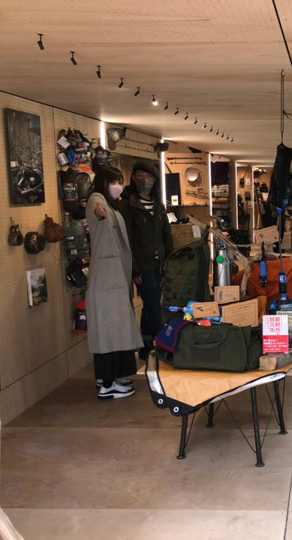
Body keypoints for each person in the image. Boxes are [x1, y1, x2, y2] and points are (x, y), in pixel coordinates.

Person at [85, 167, 143, 399]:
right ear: (103, 182)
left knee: (115, 331)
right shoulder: (97, 199)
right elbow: (96, 208)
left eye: (120, 181)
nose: (118, 186)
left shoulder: (113, 205)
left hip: (114, 279)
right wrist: (99, 211)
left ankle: (112, 378)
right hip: (107, 281)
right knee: (109, 332)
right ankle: (108, 384)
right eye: (114, 181)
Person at [121, 160, 174, 359]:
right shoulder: (128, 206)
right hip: (142, 265)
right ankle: (164, 345)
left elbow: (166, 234)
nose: (145, 180)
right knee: (153, 305)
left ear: (155, 180)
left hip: (159, 263)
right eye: (141, 176)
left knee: (150, 304)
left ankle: (145, 344)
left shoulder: (158, 205)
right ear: (134, 178)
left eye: (149, 176)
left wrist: (171, 259)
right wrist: (134, 269)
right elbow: (127, 240)